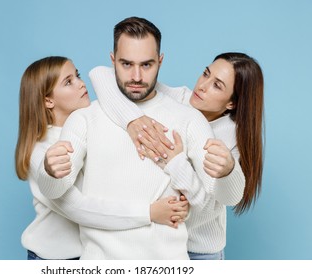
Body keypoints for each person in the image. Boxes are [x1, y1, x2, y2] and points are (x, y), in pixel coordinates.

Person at [37, 17, 218, 259]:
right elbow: (55, 191)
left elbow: (210, 206)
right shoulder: (84, 119)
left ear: (160, 61)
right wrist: (49, 171)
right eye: (126, 64)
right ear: (112, 60)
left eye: (146, 65)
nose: (136, 76)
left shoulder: (189, 119)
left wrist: (181, 175)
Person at [90, 52, 264, 259]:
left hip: (198, 250)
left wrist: (178, 163)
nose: (202, 86)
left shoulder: (229, 137)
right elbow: (101, 75)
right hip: (158, 244)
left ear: (231, 103)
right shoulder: (178, 99)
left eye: (217, 85)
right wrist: (132, 120)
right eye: (205, 74)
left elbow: (221, 201)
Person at [14, 56, 188, 260]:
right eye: (68, 82)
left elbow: (102, 74)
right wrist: (150, 213)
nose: (81, 84)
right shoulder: (42, 153)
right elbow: (78, 209)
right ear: (48, 100)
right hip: (55, 258)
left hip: (92, 255)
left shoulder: (88, 126)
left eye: (77, 75)